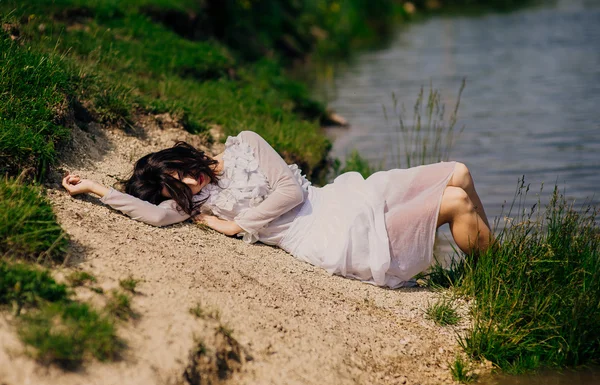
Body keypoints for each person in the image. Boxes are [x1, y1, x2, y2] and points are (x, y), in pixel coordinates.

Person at [62, 130, 492, 288]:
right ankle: (491, 278)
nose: (192, 184)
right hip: (329, 237)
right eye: (179, 188)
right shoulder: (196, 205)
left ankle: (494, 271)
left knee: (459, 171)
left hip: (338, 198)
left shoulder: (245, 143)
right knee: (454, 202)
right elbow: (154, 216)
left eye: (183, 174)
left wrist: (238, 226)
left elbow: (291, 191)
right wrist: (97, 189)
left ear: (181, 159)